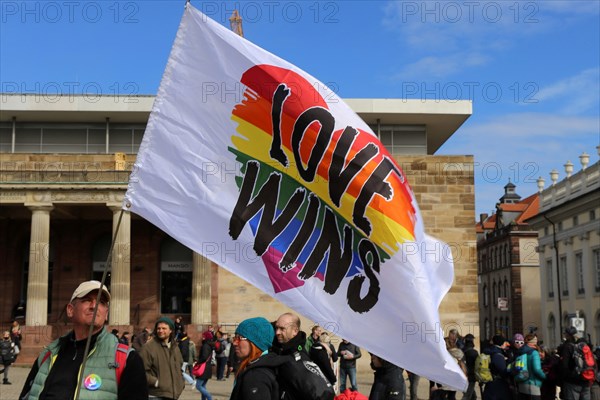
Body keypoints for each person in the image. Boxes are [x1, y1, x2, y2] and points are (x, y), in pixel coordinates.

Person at [19, 280, 148, 399]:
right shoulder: (48, 354)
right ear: (70, 310)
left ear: (106, 314)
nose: (94, 305)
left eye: (101, 302)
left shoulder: (127, 360)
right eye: (87, 300)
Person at [229, 317, 282, 400]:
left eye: (239, 338)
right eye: (235, 338)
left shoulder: (256, 376)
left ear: (255, 343)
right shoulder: (265, 364)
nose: (234, 342)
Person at [139, 316, 185, 400]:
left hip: (173, 395)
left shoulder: (175, 347)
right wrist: (156, 382)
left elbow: (179, 367)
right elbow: (140, 371)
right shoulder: (148, 347)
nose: (160, 331)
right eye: (158, 328)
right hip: (155, 395)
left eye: (164, 328)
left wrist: (181, 383)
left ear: (170, 330)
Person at [559, 327, 592, 400]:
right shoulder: (585, 345)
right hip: (586, 379)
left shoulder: (567, 346)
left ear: (568, 335)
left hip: (572, 381)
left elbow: (564, 366)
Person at [515, 334, 546, 400]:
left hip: (521, 383)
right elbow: (537, 370)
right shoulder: (534, 353)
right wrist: (545, 376)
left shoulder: (520, 351)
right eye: (536, 340)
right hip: (533, 385)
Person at [482, 335, 511, 400]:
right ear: (502, 343)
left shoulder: (489, 351)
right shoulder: (498, 354)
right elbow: (503, 370)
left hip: (489, 382)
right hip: (497, 384)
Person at [195, 331, 215, 400]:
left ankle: (209, 397)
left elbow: (204, 357)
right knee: (203, 385)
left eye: (203, 336)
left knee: (198, 386)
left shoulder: (205, 346)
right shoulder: (209, 345)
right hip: (207, 367)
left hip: (204, 368)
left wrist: (197, 363)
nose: (202, 337)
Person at [463, 334, 479, 400]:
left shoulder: (462, 350)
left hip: (463, 374)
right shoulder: (474, 352)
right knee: (467, 396)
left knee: (472, 396)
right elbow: (477, 364)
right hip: (471, 375)